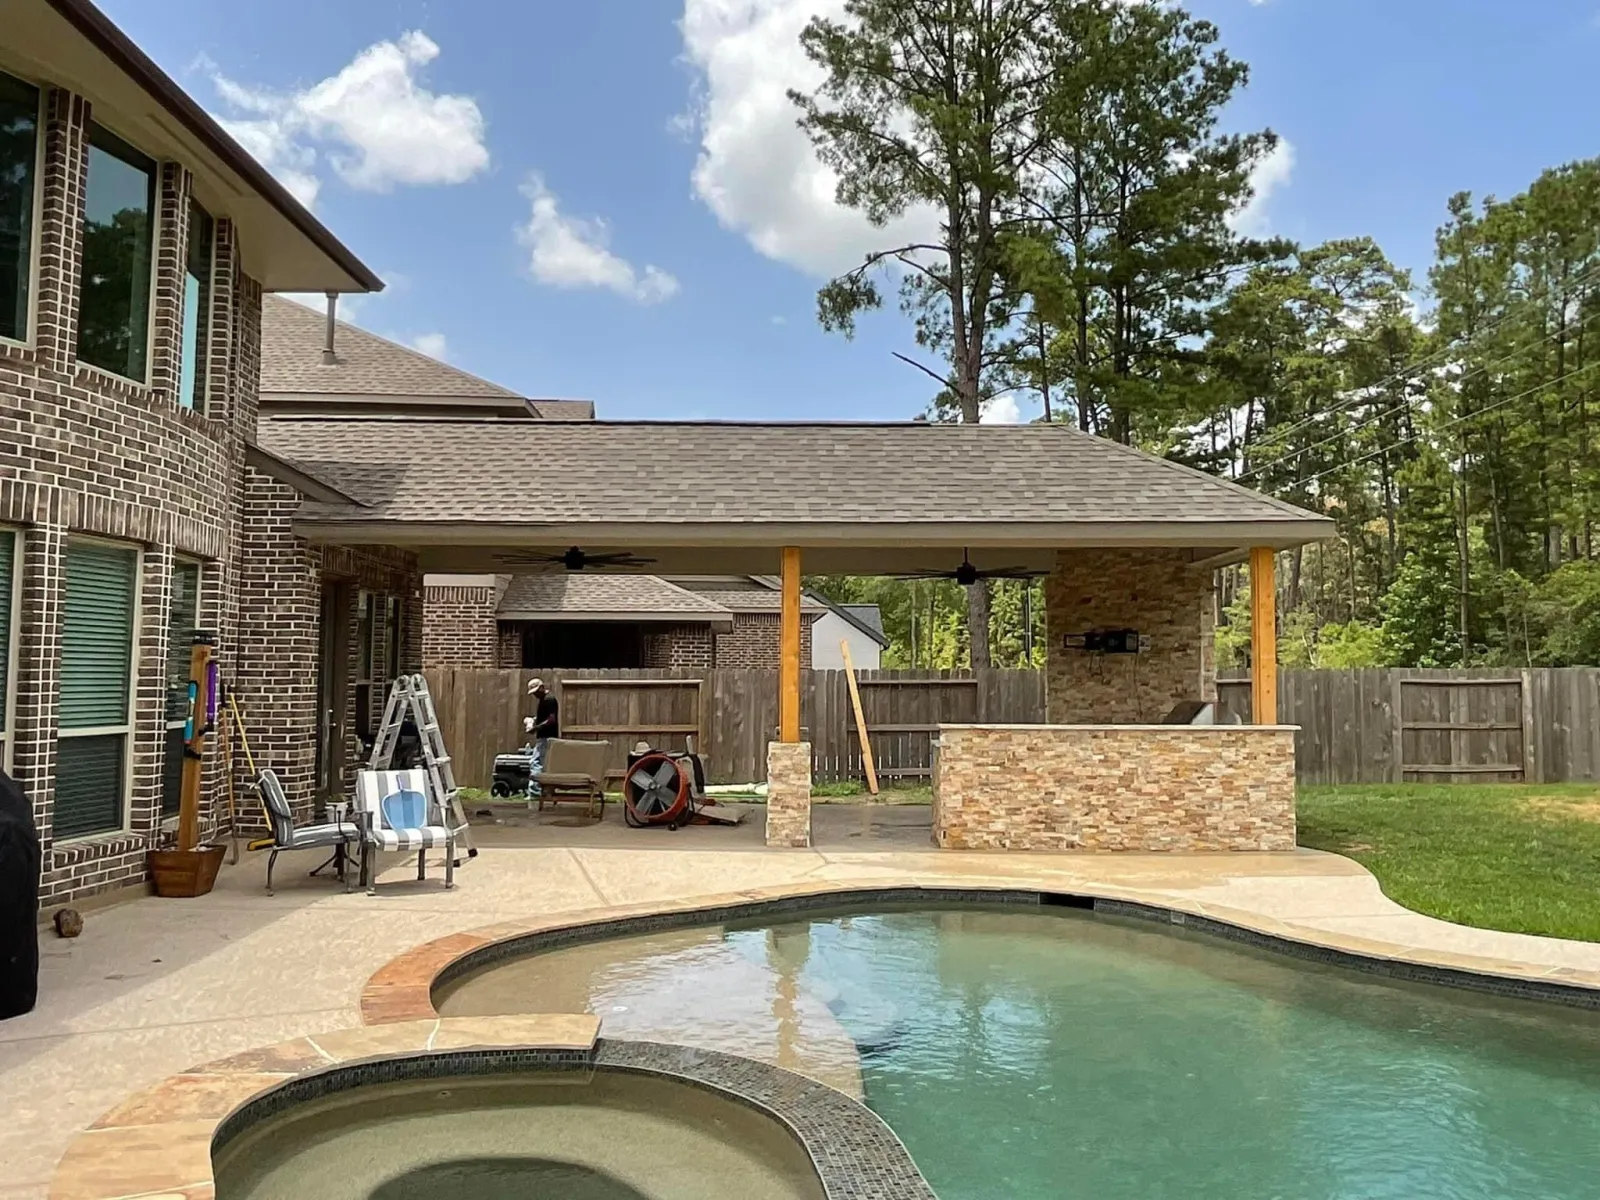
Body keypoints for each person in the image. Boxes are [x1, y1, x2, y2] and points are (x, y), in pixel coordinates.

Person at [523, 679, 560, 796]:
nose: (535, 695)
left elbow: (551, 720)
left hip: (546, 736)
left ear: (542, 687)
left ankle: (535, 792)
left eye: (536, 692)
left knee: (536, 762)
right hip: (546, 736)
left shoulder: (549, 699)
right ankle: (545, 791)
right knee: (544, 764)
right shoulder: (544, 700)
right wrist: (534, 720)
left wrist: (536, 728)